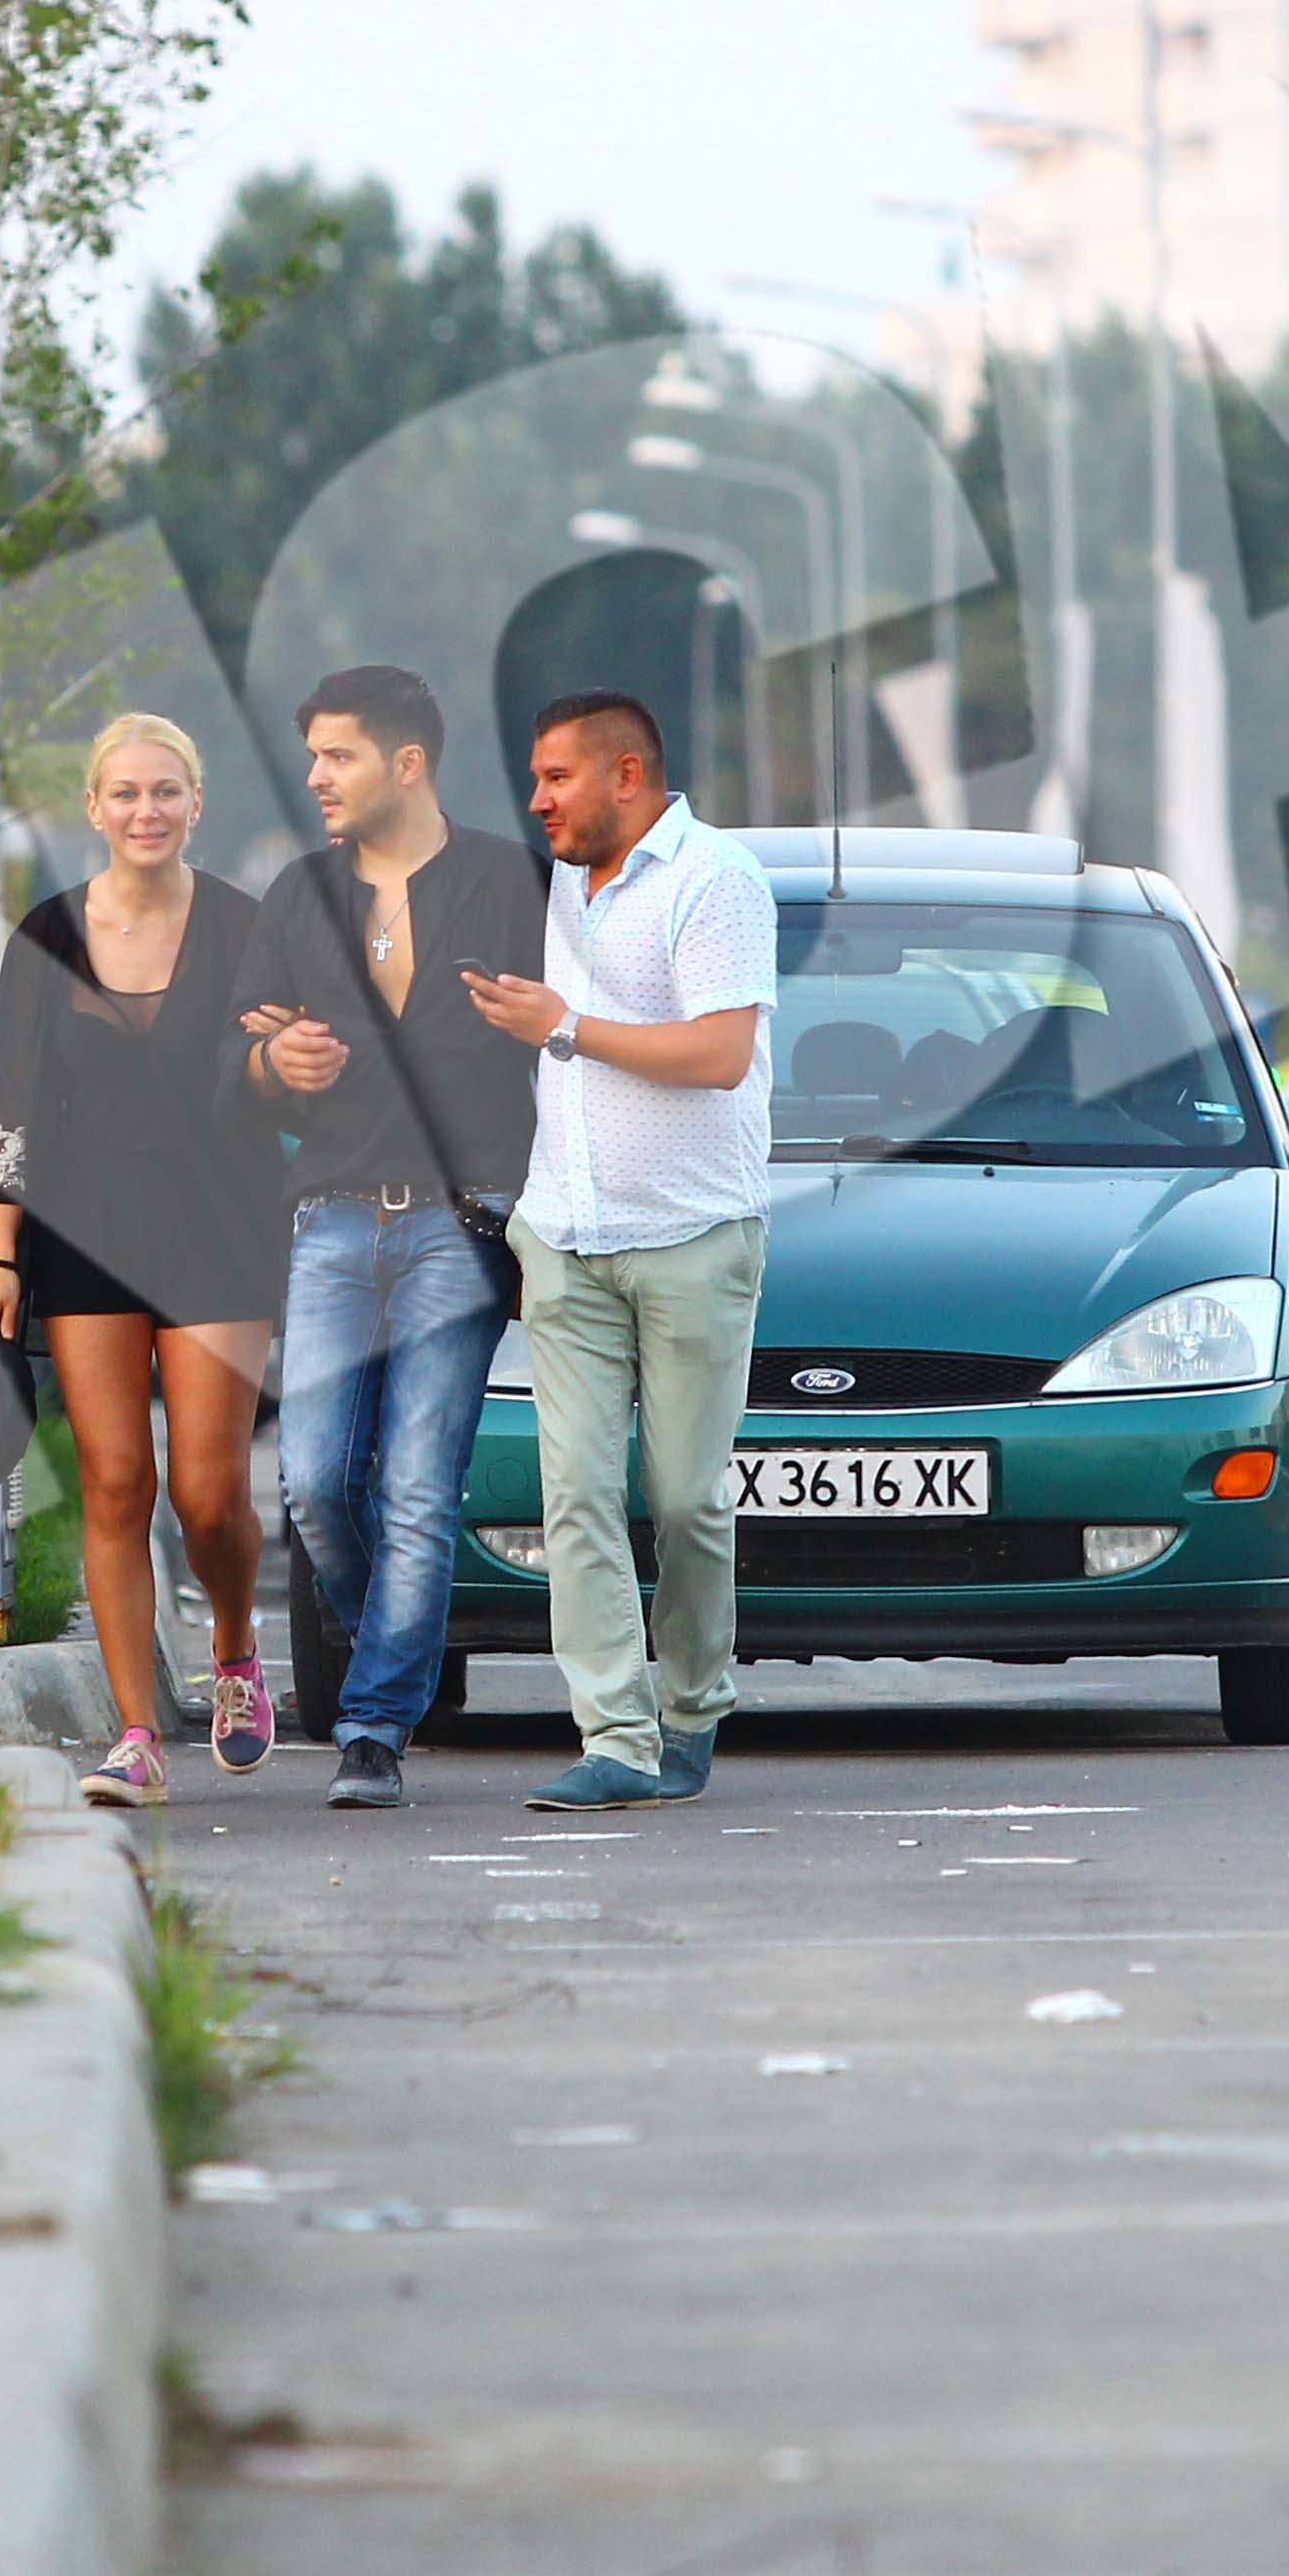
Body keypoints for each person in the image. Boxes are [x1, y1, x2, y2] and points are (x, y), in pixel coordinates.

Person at [222, 665, 548, 1813]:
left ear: (406, 763)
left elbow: (529, 1042)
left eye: (337, 755)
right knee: (313, 1485)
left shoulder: (512, 883)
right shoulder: (299, 896)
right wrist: (275, 1062)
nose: (315, 776)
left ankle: (374, 1727)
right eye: (311, 755)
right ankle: (388, 1649)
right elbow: (239, 1062)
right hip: (329, 1221)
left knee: (418, 1488)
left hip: (461, 1226)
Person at [459, 692, 777, 1813]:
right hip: (567, 1236)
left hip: (694, 1237)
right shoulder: (552, 882)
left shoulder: (715, 881)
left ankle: (693, 1707)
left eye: (557, 778)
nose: (538, 799)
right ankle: (616, 1738)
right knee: (576, 1497)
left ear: (627, 774)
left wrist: (564, 1026)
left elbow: (721, 1054)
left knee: (687, 1500)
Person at [0, 714, 283, 1807]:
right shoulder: (47, 938)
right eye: (126, 794)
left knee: (206, 1495)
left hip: (218, 1231)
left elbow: (289, 1071)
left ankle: (236, 1651)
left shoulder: (249, 929)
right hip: (81, 1230)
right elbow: (8, 1103)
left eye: (166, 792)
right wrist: (2, 1253)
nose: (146, 812)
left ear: (197, 804)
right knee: (112, 1481)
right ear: (95, 809)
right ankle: (137, 1735)